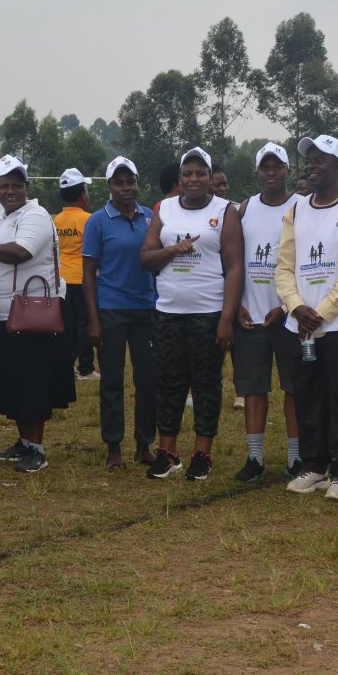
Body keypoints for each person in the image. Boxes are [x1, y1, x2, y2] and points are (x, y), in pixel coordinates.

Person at [278, 135, 338, 502]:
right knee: (307, 394)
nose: (312, 165)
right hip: (300, 326)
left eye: (321, 160)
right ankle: (314, 467)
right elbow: (283, 266)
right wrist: (296, 307)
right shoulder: (296, 209)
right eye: (309, 160)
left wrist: (320, 313)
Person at [0, 155, 75, 472]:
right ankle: (23, 442)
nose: (10, 191)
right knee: (15, 382)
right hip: (7, 314)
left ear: (26, 187)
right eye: (4, 186)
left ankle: (37, 449)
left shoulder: (36, 215)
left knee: (33, 383)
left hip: (34, 315)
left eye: (16, 185)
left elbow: (21, 252)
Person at [139, 147, 242, 481]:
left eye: (201, 174)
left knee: (206, 385)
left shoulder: (225, 211)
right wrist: (173, 249)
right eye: (187, 174)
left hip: (208, 313)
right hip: (168, 312)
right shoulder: (165, 209)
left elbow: (235, 266)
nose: (194, 179)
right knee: (169, 384)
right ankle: (168, 453)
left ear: (210, 178)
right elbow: (147, 257)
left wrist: (226, 319)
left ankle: (202, 454)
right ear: (179, 178)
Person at [82, 156, 158, 471]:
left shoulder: (150, 217)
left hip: (147, 309)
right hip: (111, 309)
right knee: (112, 380)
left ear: (137, 183)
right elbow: (88, 274)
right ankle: (114, 446)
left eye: (130, 182)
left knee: (148, 380)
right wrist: (93, 319)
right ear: (109, 187)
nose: (126, 189)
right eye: (119, 183)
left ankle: (145, 443)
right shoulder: (98, 221)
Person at [232, 143, 302, 483]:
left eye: (277, 167)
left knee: (294, 389)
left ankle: (296, 458)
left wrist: (287, 306)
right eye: (265, 167)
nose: (271, 173)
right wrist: (237, 305)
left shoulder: (301, 206)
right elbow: (234, 260)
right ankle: (255, 458)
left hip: (288, 318)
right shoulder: (245, 208)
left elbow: (308, 266)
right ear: (257, 172)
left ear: (289, 171)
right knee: (253, 389)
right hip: (250, 317)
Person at [55, 168, 98, 381]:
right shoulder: (88, 219)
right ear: (83, 195)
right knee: (85, 324)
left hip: (62, 278)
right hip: (83, 279)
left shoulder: (57, 220)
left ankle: (67, 364)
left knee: (67, 325)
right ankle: (86, 368)